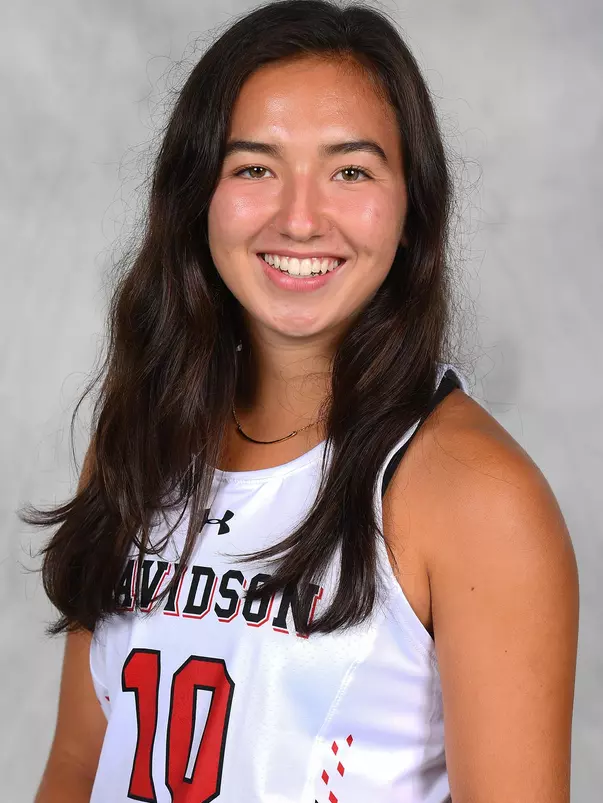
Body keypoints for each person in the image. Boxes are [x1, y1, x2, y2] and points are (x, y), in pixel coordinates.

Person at [23, 1, 579, 801]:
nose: (300, 218)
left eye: (349, 170)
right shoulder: (141, 438)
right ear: (198, 196)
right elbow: (78, 768)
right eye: (254, 167)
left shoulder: (476, 495)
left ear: (410, 206)